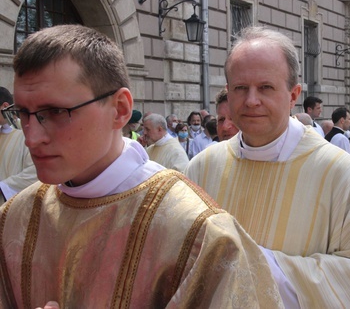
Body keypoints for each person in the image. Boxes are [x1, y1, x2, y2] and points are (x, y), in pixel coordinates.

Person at [0, 24, 283, 308]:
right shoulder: (13, 219)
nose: (31, 137)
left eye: (55, 112)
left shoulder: (197, 234)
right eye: (23, 113)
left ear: (120, 109)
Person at [185, 26, 350, 307]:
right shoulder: (201, 168)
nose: (251, 100)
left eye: (265, 87)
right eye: (240, 88)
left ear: (293, 94)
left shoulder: (338, 172)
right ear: (228, 92)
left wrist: (270, 268)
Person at [0, 87, 38, 203]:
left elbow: (35, 173)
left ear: (5, 107)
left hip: (12, 208)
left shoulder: (28, 135)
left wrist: (3, 186)